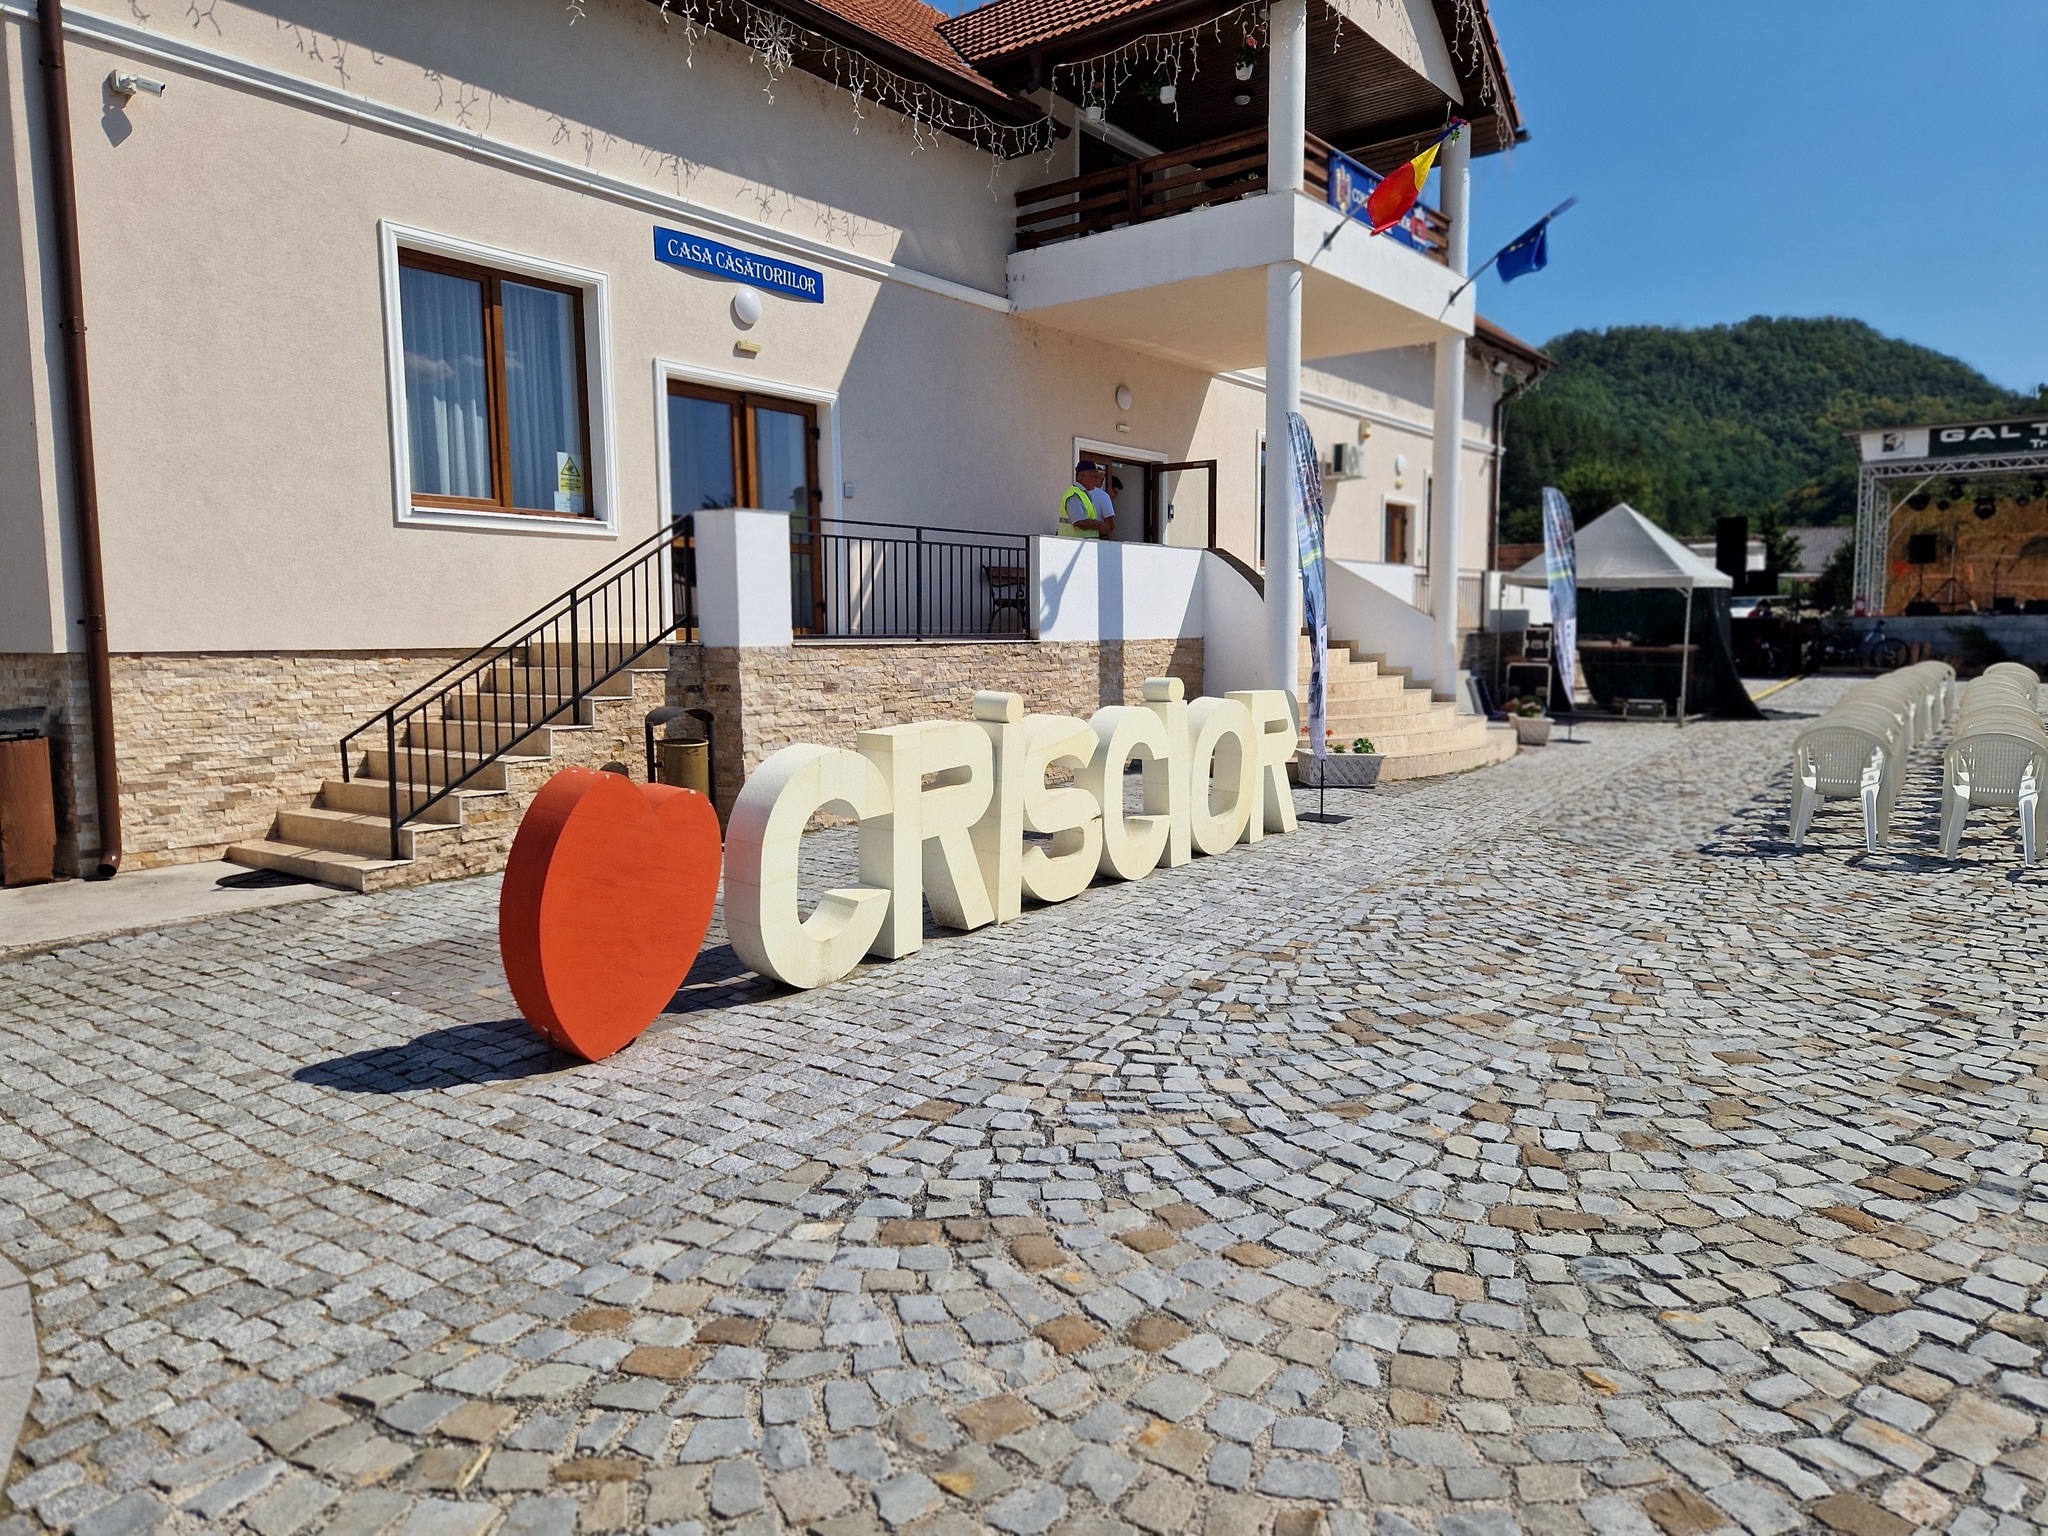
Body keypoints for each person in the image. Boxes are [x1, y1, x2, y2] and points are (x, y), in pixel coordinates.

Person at [1058, 461, 1116, 540]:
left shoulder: (1084, 494)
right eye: (1094, 476)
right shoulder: (1074, 494)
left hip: (1082, 543)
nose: (1096, 480)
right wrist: (1099, 525)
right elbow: (1079, 522)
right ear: (1083, 475)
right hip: (1073, 543)